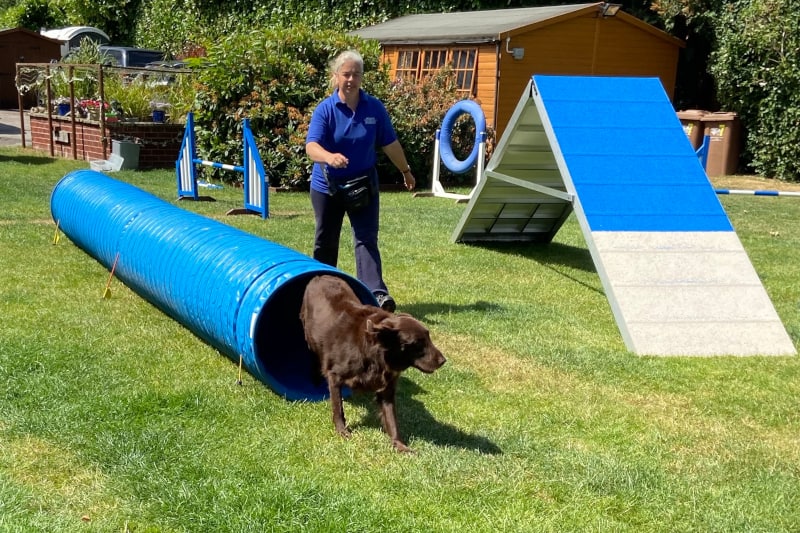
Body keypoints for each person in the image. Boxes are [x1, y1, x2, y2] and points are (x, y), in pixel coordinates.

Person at [305, 49, 415, 313]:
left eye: (356, 74)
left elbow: (389, 143)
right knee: (326, 240)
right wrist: (329, 157)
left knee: (366, 239)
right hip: (328, 187)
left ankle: (376, 295)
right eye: (346, 74)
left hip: (363, 186)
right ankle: (321, 295)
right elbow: (311, 147)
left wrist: (405, 170)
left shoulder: (373, 107)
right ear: (336, 77)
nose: (351, 79)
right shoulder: (326, 110)